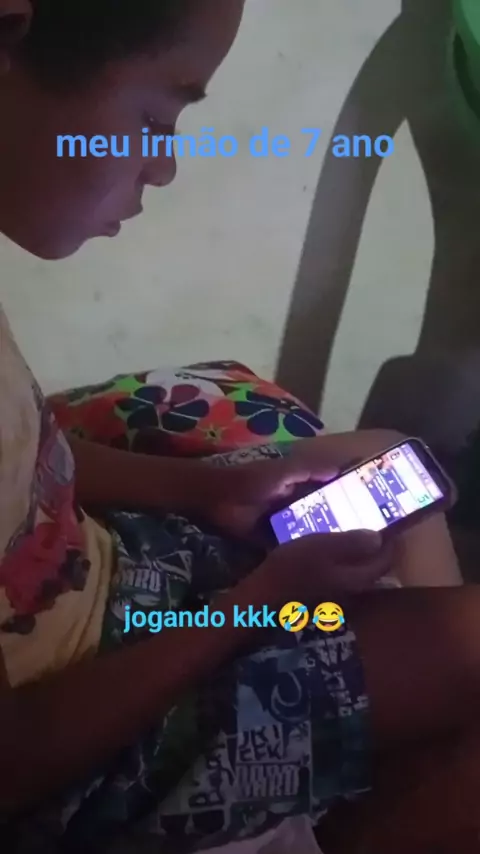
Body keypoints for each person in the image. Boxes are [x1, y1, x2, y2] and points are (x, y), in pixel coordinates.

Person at [0, 1, 475, 852]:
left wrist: (212, 489)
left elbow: (26, 456)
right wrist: (256, 607)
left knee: (385, 460)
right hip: (88, 745)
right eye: (157, 119)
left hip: (120, 594)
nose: (165, 167)